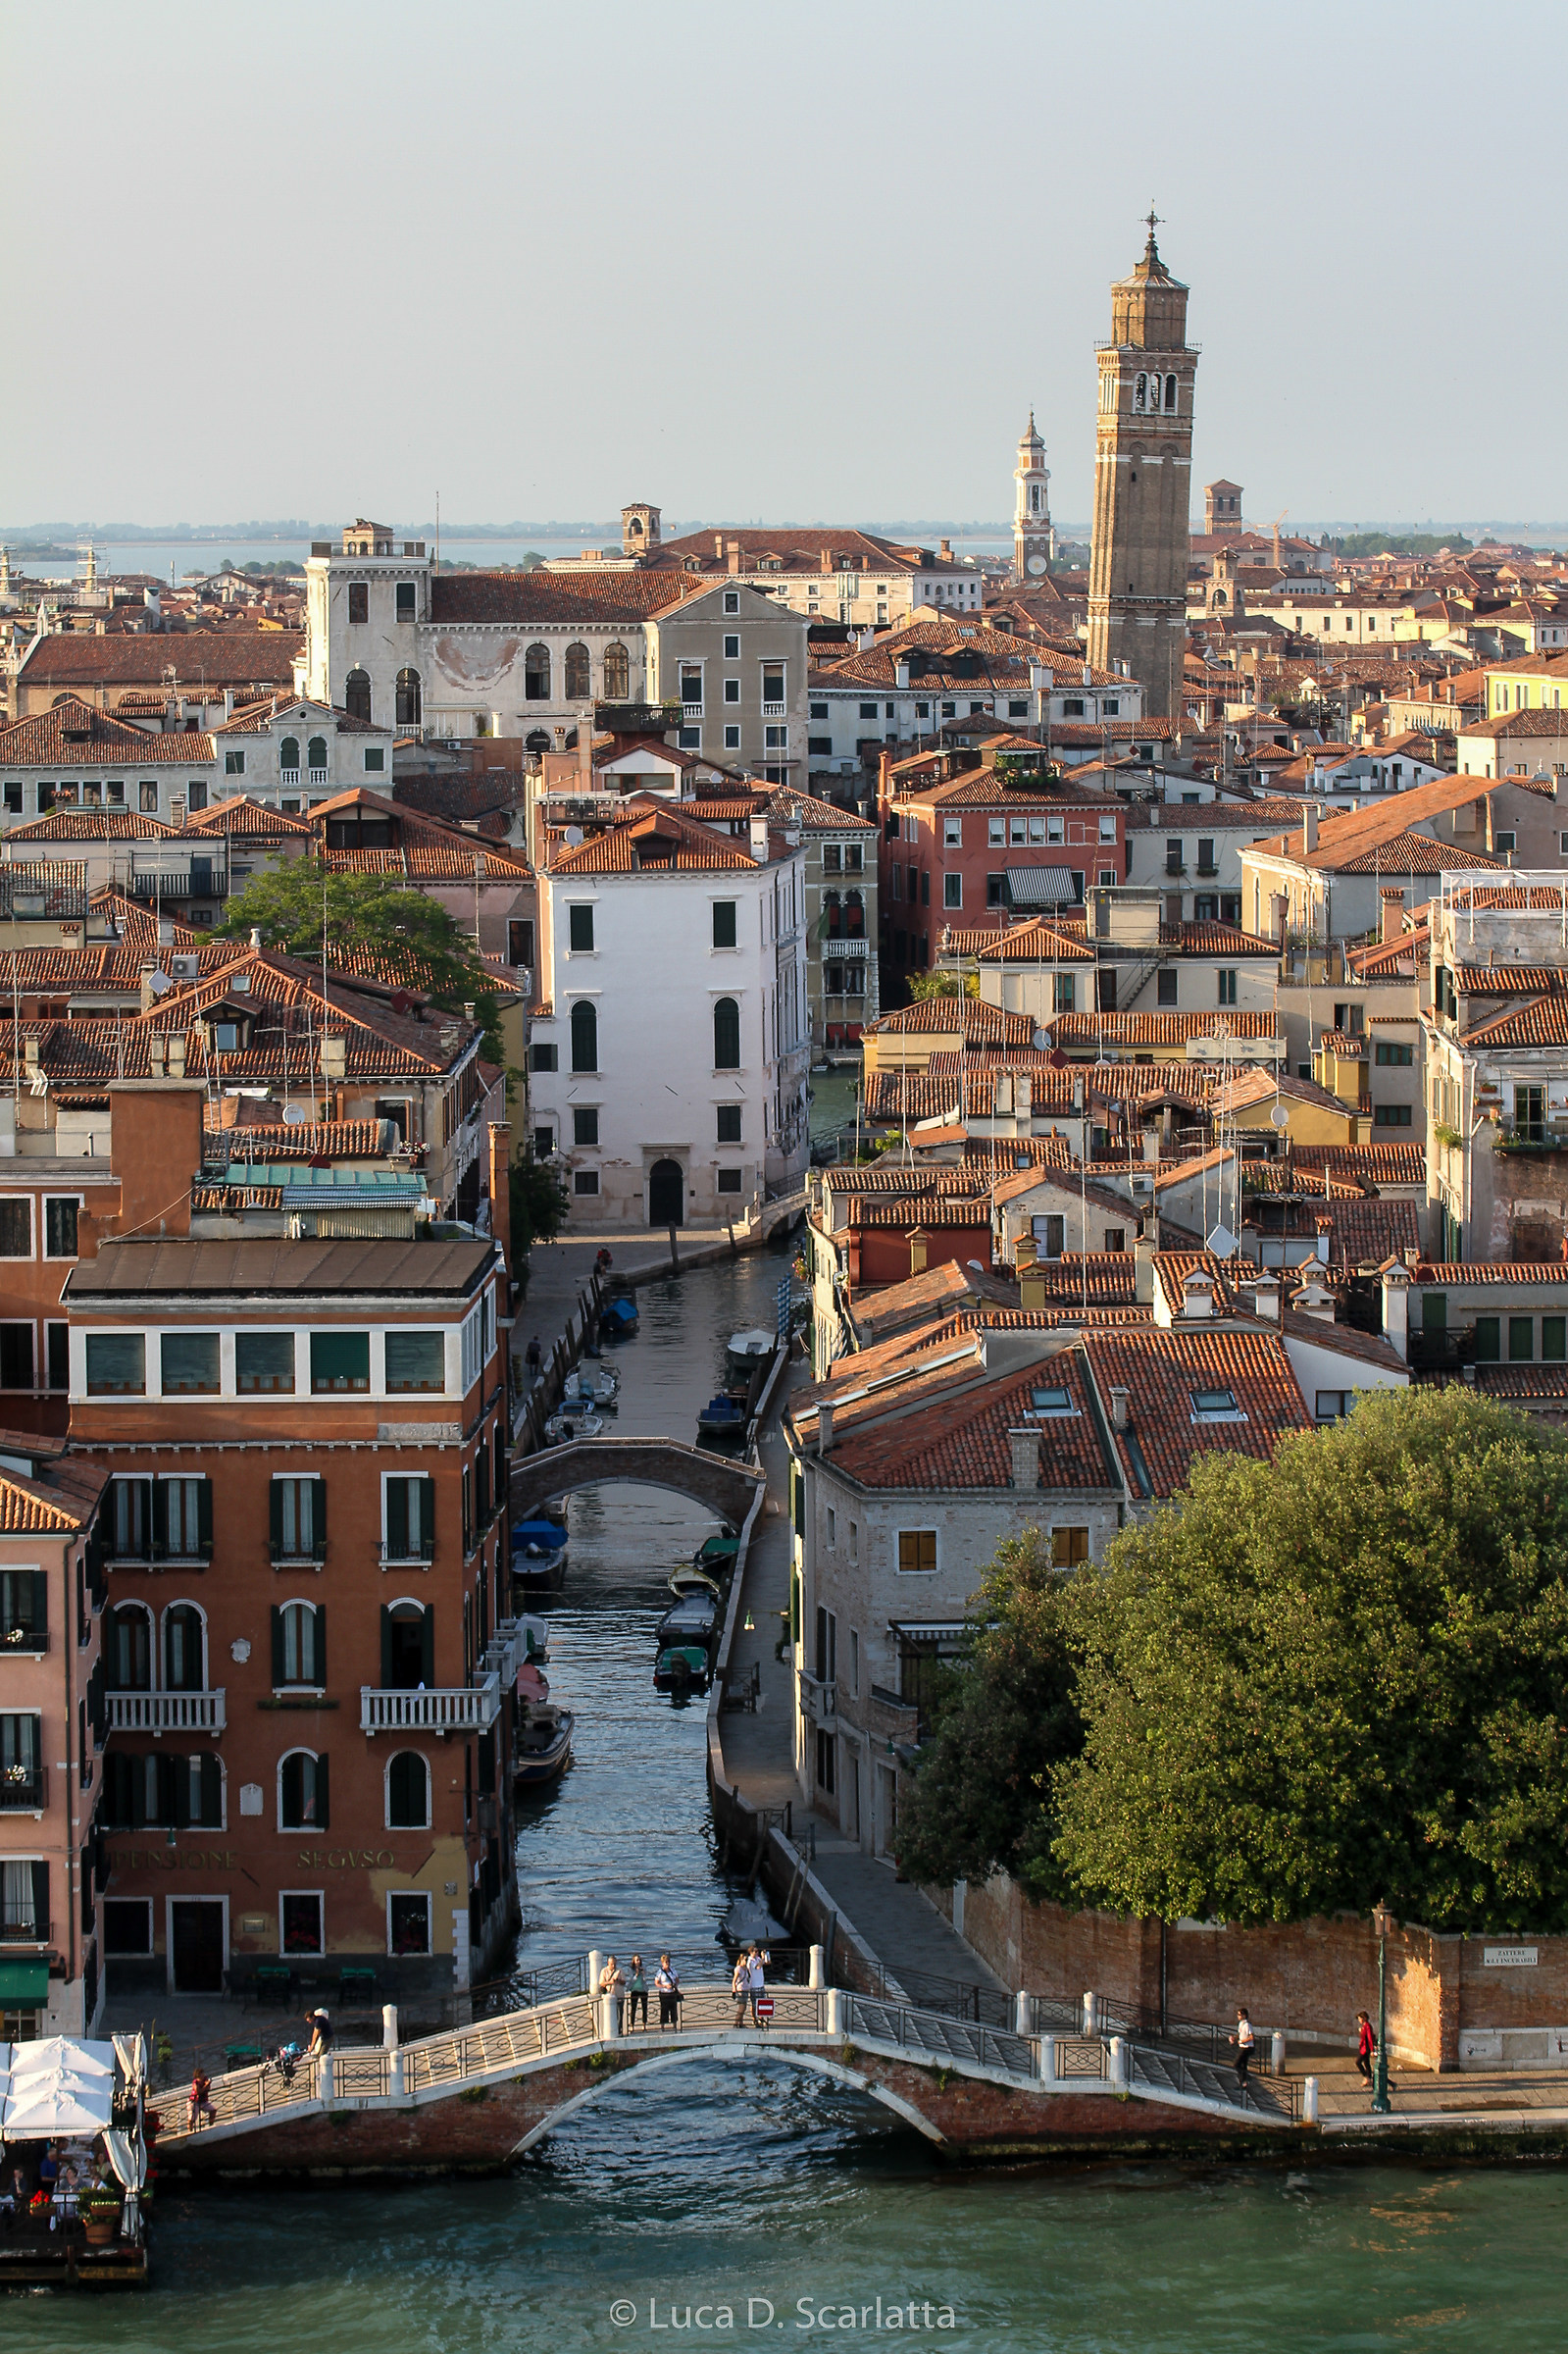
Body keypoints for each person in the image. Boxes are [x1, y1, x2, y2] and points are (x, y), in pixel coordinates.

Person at [598, 1953, 626, 2032]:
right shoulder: (604, 1971)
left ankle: (619, 2029)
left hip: (619, 1995)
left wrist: (618, 1981)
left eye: (614, 1964)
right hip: (609, 1995)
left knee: (620, 2013)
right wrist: (610, 1982)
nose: (613, 1966)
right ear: (608, 1963)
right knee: (609, 2014)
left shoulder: (619, 1971)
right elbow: (601, 1983)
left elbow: (624, 1982)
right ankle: (610, 2030)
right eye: (611, 1964)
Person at [1230, 2006, 1255, 2091]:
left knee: (1236, 2064)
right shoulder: (1241, 2024)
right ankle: (1243, 2084)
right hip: (1242, 2047)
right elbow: (1239, 2034)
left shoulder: (1248, 2025)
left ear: (1244, 2015)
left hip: (1247, 2048)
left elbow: (1251, 2037)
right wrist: (1234, 2038)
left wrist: (1243, 2041)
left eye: (1239, 2014)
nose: (1238, 2016)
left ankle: (1245, 2078)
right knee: (1243, 2065)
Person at [654, 1953, 682, 2029]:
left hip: (672, 1993)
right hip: (664, 1993)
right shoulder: (660, 1972)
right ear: (662, 1963)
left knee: (673, 2009)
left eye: (668, 1962)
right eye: (666, 1962)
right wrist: (665, 1986)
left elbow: (677, 1980)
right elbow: (656, 1983)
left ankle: (674, 2025)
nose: (668, 1963)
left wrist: (674, 1985)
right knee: (664, 2010)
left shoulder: (673, 1970)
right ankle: (663, 2026)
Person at [748, 1942, 771, 2029]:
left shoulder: (757, 1959)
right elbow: (757, 1967)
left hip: (761, 1984)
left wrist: (766, 1955)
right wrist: (761, 1958)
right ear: (751, 1952)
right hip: (754, 1985)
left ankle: (761, 2018)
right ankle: (754, 2019)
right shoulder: (750, 1961)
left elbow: (768, 1962)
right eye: (755, 1951)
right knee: (754, 2004)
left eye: (757, 1951)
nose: (757, 1953)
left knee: (762, 2002)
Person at [187, 2067, 215, 2131]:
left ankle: (211, 2125)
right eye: (202, 2074)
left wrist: (207, 2085)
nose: (203, 2075)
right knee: (192, 2117)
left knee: (213, 2110)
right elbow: (198, 2091)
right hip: (194, 2101)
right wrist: (205, 2086)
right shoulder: (195, 2082)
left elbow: (208, 2088)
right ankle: (190, 2130)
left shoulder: (205, 2079)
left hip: (203, 2100)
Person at [626, 1954, 648, 2032]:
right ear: (634, 1961)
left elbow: (645, 1979)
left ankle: (644, 2024)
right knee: (633, 2008)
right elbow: (631, 1980)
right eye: (636, 1960)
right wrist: (636, 1975)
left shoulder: (643, 1967)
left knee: (644, 2008)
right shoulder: (631, 1969)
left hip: (643, 1990)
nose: (638, 1962)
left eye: (639, 1960)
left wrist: (643, 1973)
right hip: (634, 1990)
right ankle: (632, 2025)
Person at [1355, 2010, 1377, 2087]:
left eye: (1359, 2018)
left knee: (1358, 2062)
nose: (1359, 2020)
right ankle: (1369, 2079)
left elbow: (1370, 2038)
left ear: (1364, 2018)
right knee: (1366, 2063)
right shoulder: (1364, 2026)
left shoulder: (1367, 2026)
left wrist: (1371, 2050)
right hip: (1363, 2047)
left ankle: (1366, 2077)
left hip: (1365, 2049)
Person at [732, 1947, 753, 2028]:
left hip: (745, 1989)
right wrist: (734, 1991)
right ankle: (735, 2023)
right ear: (741, 1960)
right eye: (745, 1960)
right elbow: (734, 1981)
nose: (746, 1961)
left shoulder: (746, 1969)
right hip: (740, 1990)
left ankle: (741, 2023)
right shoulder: (739, 1969)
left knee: (743, 2008)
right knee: (741, 2008)